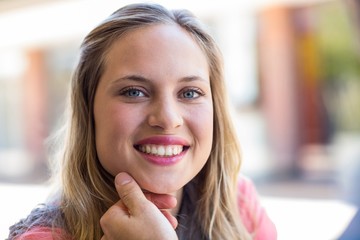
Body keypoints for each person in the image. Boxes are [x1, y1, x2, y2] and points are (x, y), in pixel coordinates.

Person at [8, 3, 276, 240]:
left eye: (190, 93)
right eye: (134, 92)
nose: (168, 119)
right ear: (89, 110)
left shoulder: (239, 205)